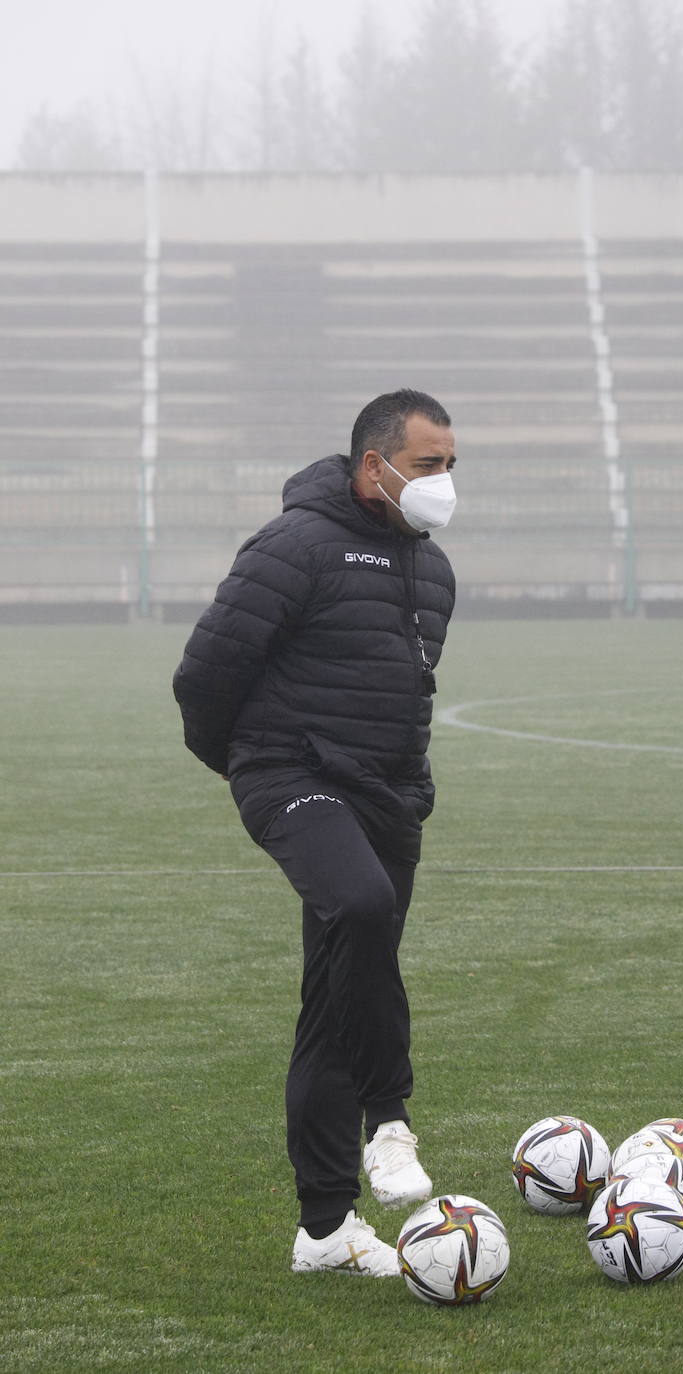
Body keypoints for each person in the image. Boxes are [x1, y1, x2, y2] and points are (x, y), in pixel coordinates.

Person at [173, 389, 457, 1276]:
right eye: (426, 465)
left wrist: (409, 789)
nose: (442, 483)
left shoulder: (434, 570)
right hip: (293, 775)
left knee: (338, 998)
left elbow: (403, 695)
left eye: (450, 466)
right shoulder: (294, 544)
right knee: (361, 906)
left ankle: (326, 1231)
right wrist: (253, 766)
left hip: (387, 798)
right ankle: (392, 1122)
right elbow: (204, 674)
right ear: (374, 465)